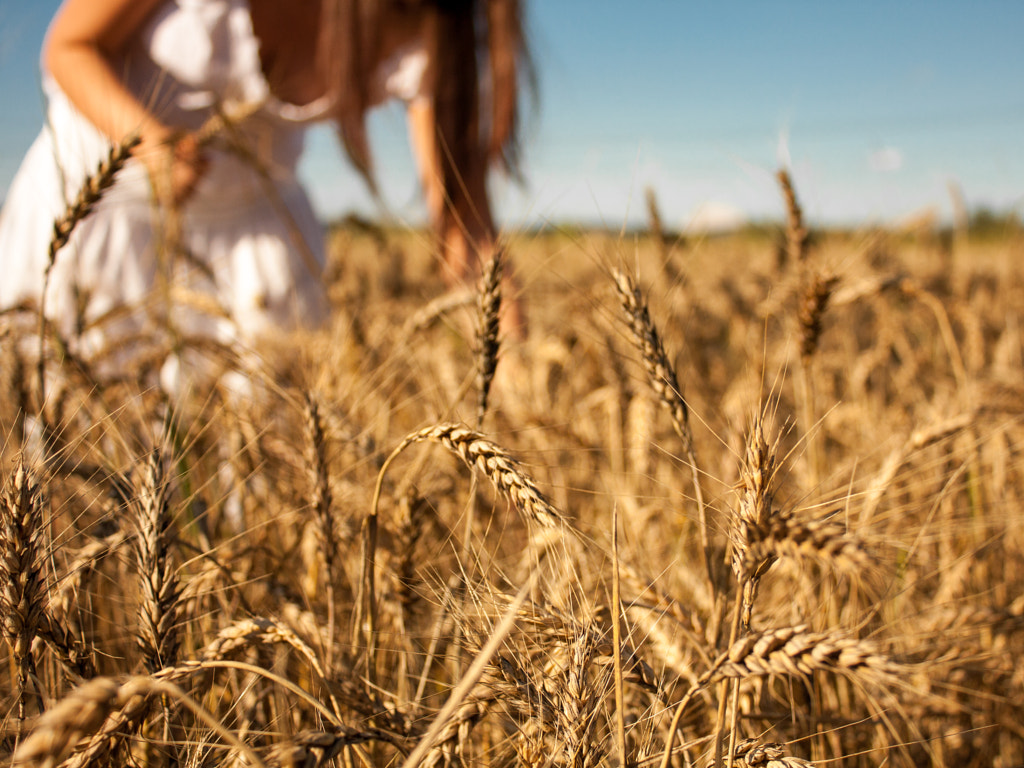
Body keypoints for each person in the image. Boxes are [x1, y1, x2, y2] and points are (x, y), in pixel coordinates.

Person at [0, 0, 529, 389]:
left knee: (246, 489)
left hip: (252, 252)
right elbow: (70, 47)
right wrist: (148, 144)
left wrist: (513, 365)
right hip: (99, 218)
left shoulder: (437, 22)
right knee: (73, 453)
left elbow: (464, 225)